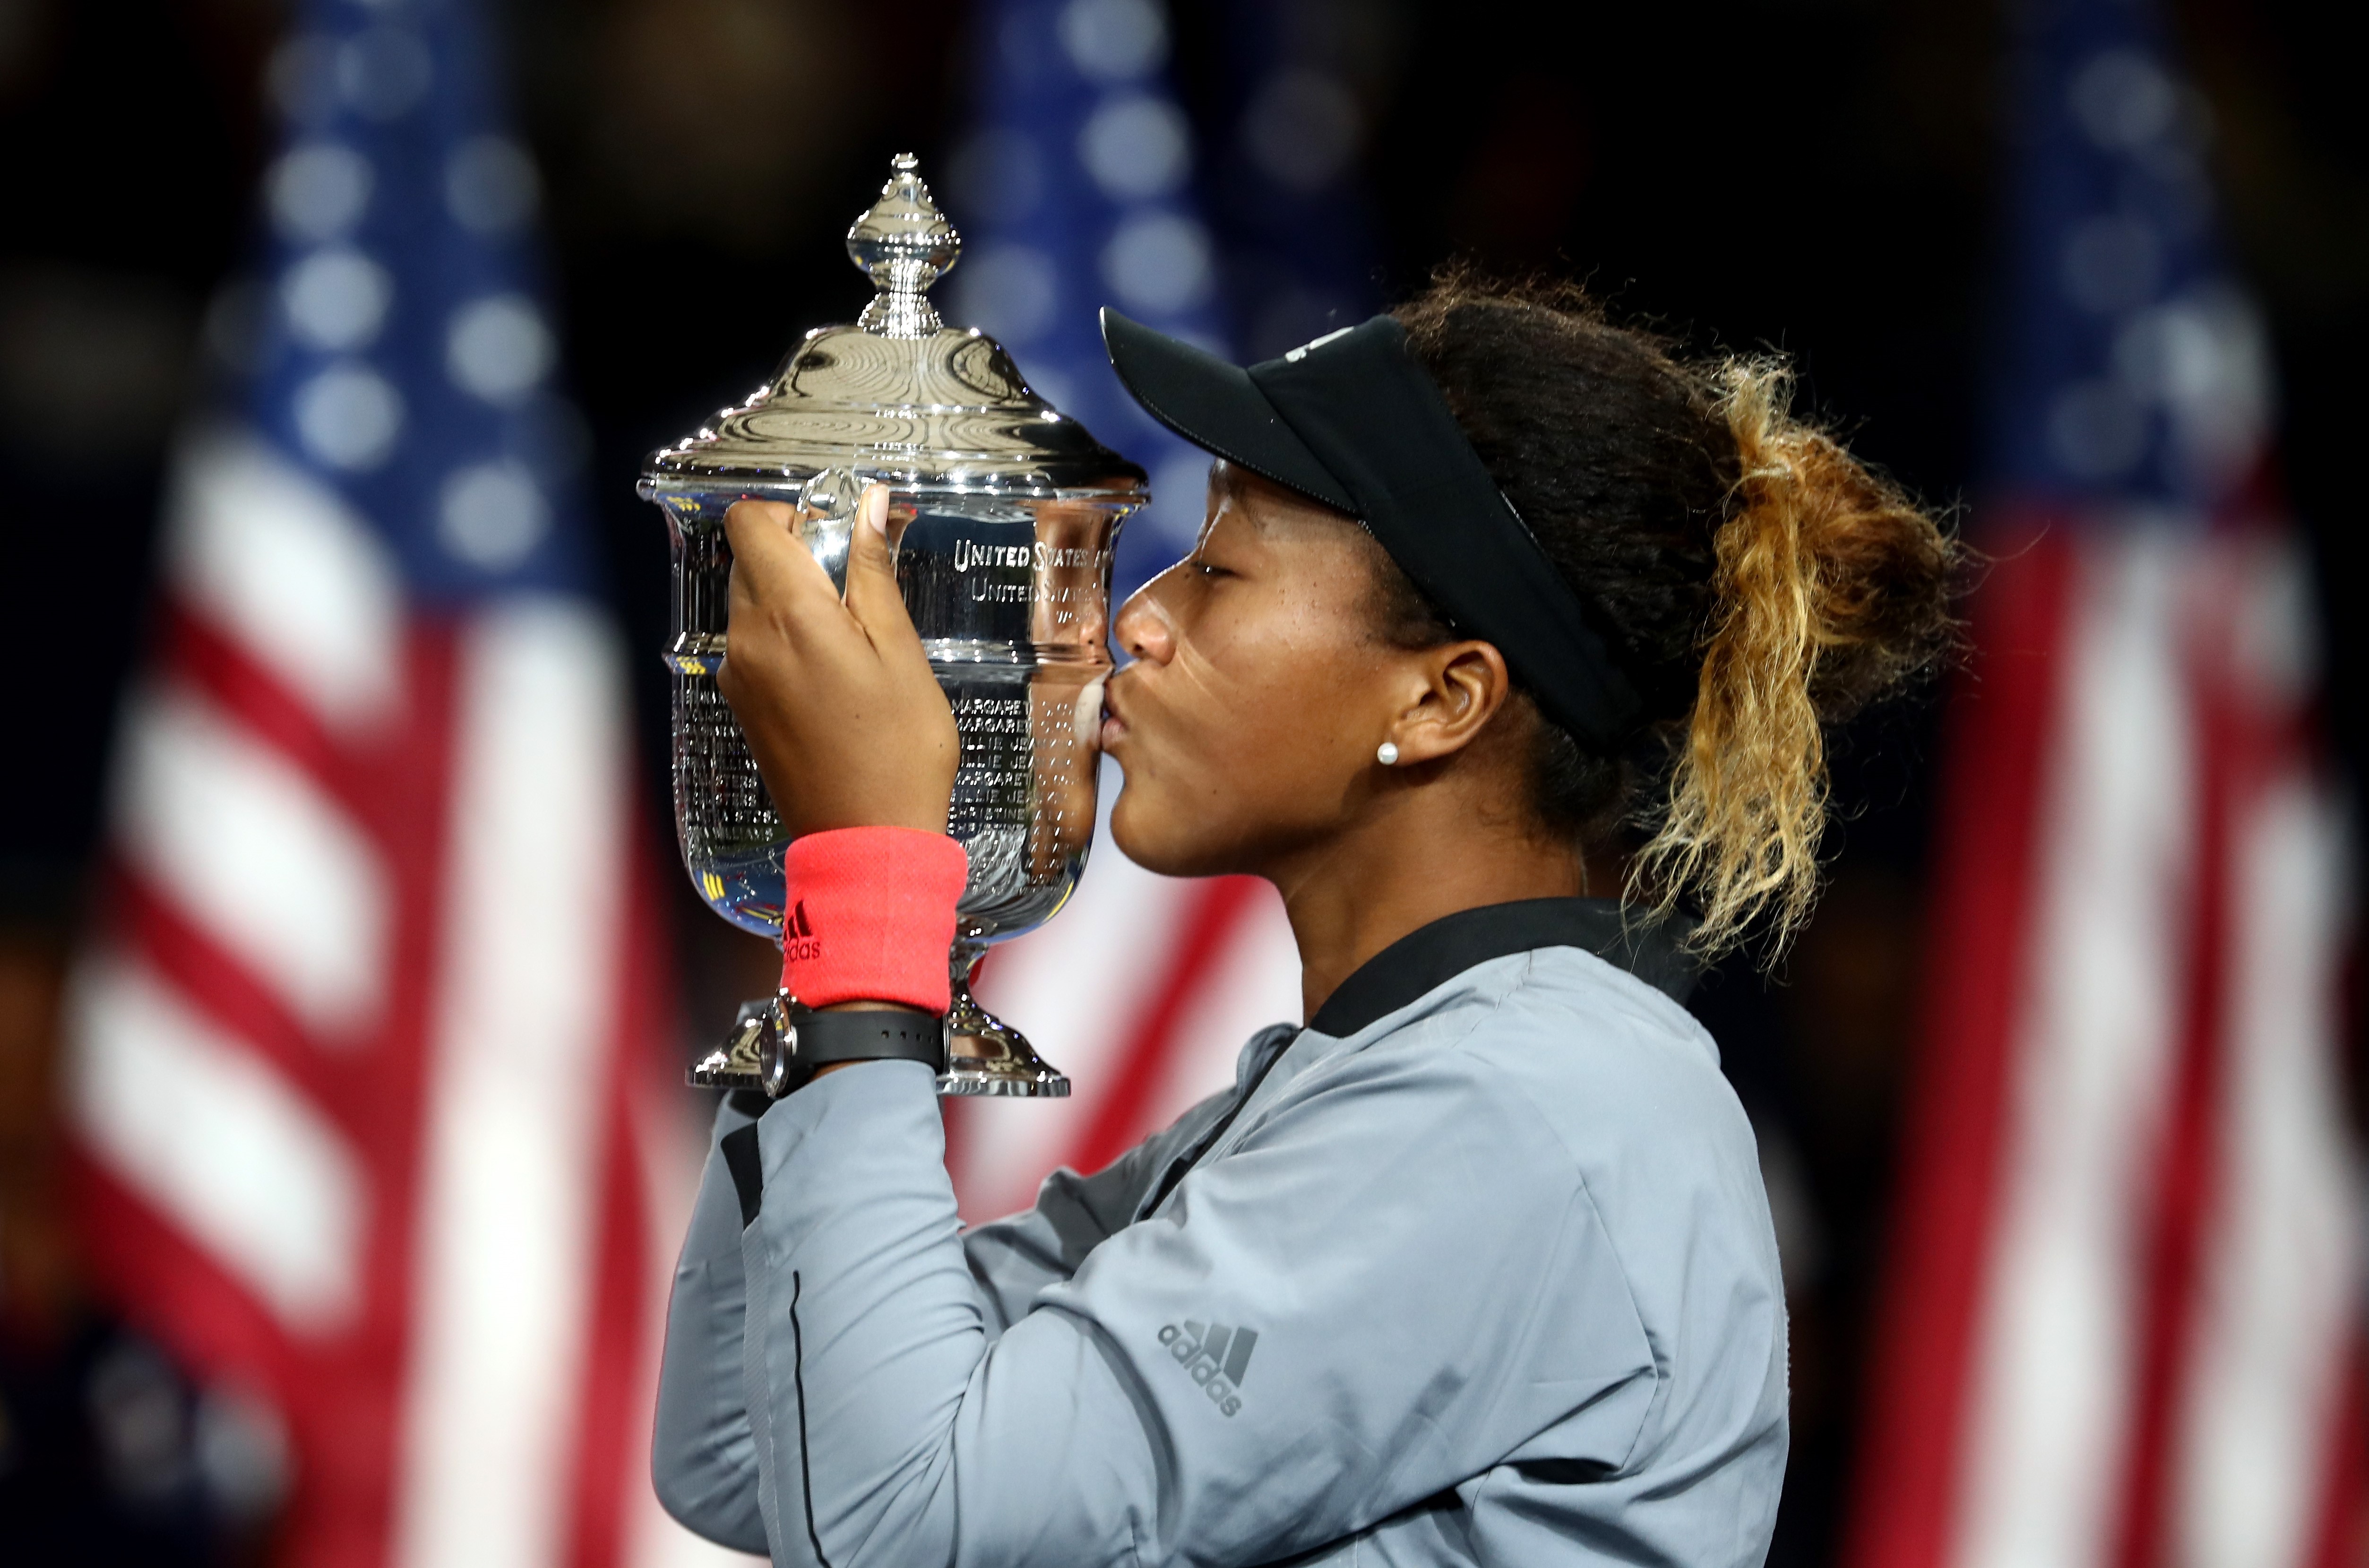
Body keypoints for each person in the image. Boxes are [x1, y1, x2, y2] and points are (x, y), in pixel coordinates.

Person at [651, 272, 1958, 1568]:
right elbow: (748, 1458)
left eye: (1219, 567)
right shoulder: (1388, 1084)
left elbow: (901, 1520)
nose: (1140, 620)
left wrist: (871, 881)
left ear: (1442, 701)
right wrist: (846, 912)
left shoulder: (1523, 1110)